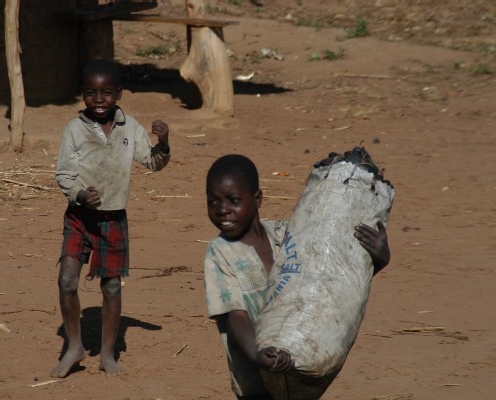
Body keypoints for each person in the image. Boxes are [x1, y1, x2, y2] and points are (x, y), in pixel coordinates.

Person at [203, 154, 390, 399]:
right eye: (212, 202)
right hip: (254, 382)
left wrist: (380, 258)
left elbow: (332, 281)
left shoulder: (286, 234)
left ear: (258, 199)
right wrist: (258, 356)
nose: (222, 210)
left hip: (297, 369)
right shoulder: (220, 253)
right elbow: (236, 315)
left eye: (233, 200)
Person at [52, 59, 170, 378]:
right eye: (91, 93)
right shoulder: (75, 129)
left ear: (119, 93)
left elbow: (154, 163)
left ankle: (107, 354)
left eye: (106, 92)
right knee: (66, 281)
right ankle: (74, 346)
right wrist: (79, 194)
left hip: (113, 220)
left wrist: (163, 143)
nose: (99, 99)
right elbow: (64, 174)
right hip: (79, 216)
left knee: (112, 288)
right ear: (83, 95)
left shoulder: (129, 127)